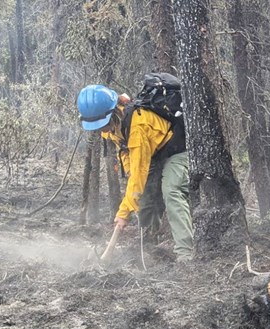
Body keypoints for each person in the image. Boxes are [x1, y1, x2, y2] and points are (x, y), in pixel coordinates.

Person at [77, 84, 194, 262]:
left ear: (113, 112)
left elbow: (140, 173)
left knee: (171, 190)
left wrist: (123, 213)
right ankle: (147, 247)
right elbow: (124, 151)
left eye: (103, 124)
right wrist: (131, 174)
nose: (101, 130)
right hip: (154, 153)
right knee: (145, 199)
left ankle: (186, 253)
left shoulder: (138, 126)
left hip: (177, 149)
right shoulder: (112, 126)